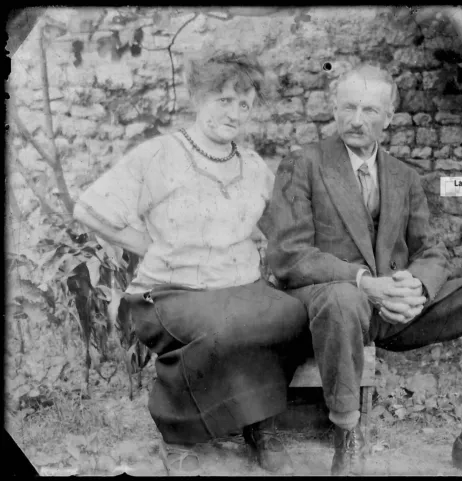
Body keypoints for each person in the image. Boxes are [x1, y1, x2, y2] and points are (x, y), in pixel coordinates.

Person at [260, 63, 462, 476]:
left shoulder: (404, 176)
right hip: (327, 307)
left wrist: (419, 287)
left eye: (370, 111)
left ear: (389, 119)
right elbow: (288, 254)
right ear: (334, 110)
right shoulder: (303, 163)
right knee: (343, 298)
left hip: (392, 310)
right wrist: (362, 281)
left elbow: (432, 249)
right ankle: (347, 437)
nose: (357, 120)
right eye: (348, 108)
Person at [73, 49, 309, 476]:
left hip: (237, 289)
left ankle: (260, 423)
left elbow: (285, 232)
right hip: (167, 293)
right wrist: (148, 245)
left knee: (293, 313)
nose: (235, 112)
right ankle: (179, 433)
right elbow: (89, 209)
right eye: (224, 99)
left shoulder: (254, 167)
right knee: (226, 325)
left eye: (245, 105)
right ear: (199, 98)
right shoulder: (160, 155)